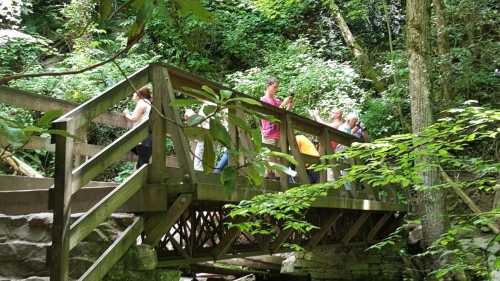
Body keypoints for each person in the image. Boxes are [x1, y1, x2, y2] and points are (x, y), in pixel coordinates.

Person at [260, 77, 293, 178]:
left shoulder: (277, 100)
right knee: (269, 159)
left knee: (278, 159)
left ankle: (278, 183)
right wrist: (284, 103)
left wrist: (290, 105)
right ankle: (268, 183)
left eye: (277, 87)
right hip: (269, 133)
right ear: (268, 86)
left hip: (279, 133)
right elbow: (274, 113)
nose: (276, 89)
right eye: (274, 87)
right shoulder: (264, 99)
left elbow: (284, 113)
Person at [123, 86, 152, 168]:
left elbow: (133, 118)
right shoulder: (148, 103)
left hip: (143, 136)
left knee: (142, 164)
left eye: (134, 92)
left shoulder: (142, 103)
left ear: (139, 94)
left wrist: (126, 114)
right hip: (147, 135)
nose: (133, 94)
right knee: (142, 162)